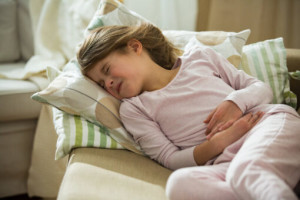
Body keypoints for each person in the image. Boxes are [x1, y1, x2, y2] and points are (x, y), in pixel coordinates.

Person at [77, 23, 300, 200]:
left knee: (246, 172)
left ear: (135, 47)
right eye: (101, 83)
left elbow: (262, 89)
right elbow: (170, 159)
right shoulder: (134, 110)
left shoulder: (200, 58)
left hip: (266, 125)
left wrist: (235, 103)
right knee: (180, 184)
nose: (108, 84)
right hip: (226, 162)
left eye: (106, 70)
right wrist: (219, 142)